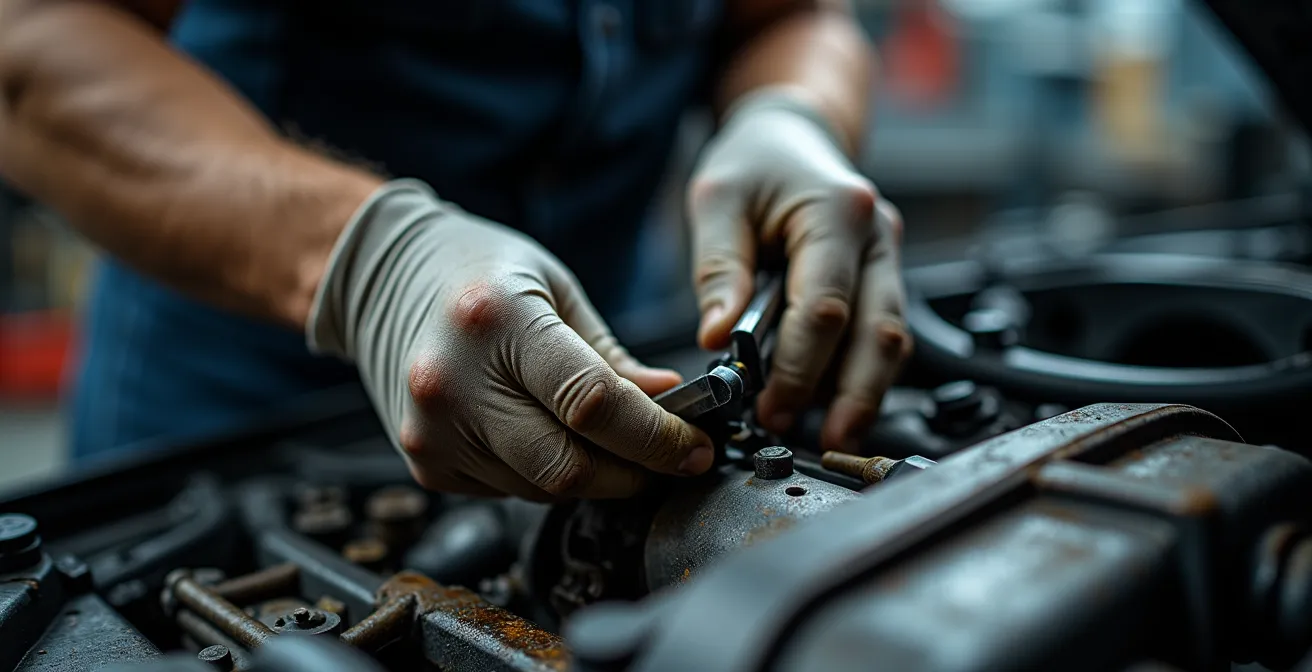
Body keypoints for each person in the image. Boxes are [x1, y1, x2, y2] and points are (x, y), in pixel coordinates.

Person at [0, 0, 910, 499]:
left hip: (609, 367)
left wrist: (793, 115)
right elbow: (31, 35)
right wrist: (371, 264)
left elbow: (789, 16)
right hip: (237, 422)